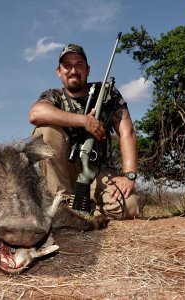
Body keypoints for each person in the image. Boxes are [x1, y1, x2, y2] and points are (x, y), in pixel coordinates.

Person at [29, 43, 143, 220]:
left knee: (129, 207)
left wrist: (129, 175)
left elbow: (127, 132)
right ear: (58, 71)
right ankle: (63, 207)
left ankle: (87, 210)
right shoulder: (53, 95)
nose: (73, 70)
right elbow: (36, 114)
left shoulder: (107, 93)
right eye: (67, 66)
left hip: (97, 171)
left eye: (79, 65)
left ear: (88, 70)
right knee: (45, 131)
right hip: (62, 174)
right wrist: (85, 121)